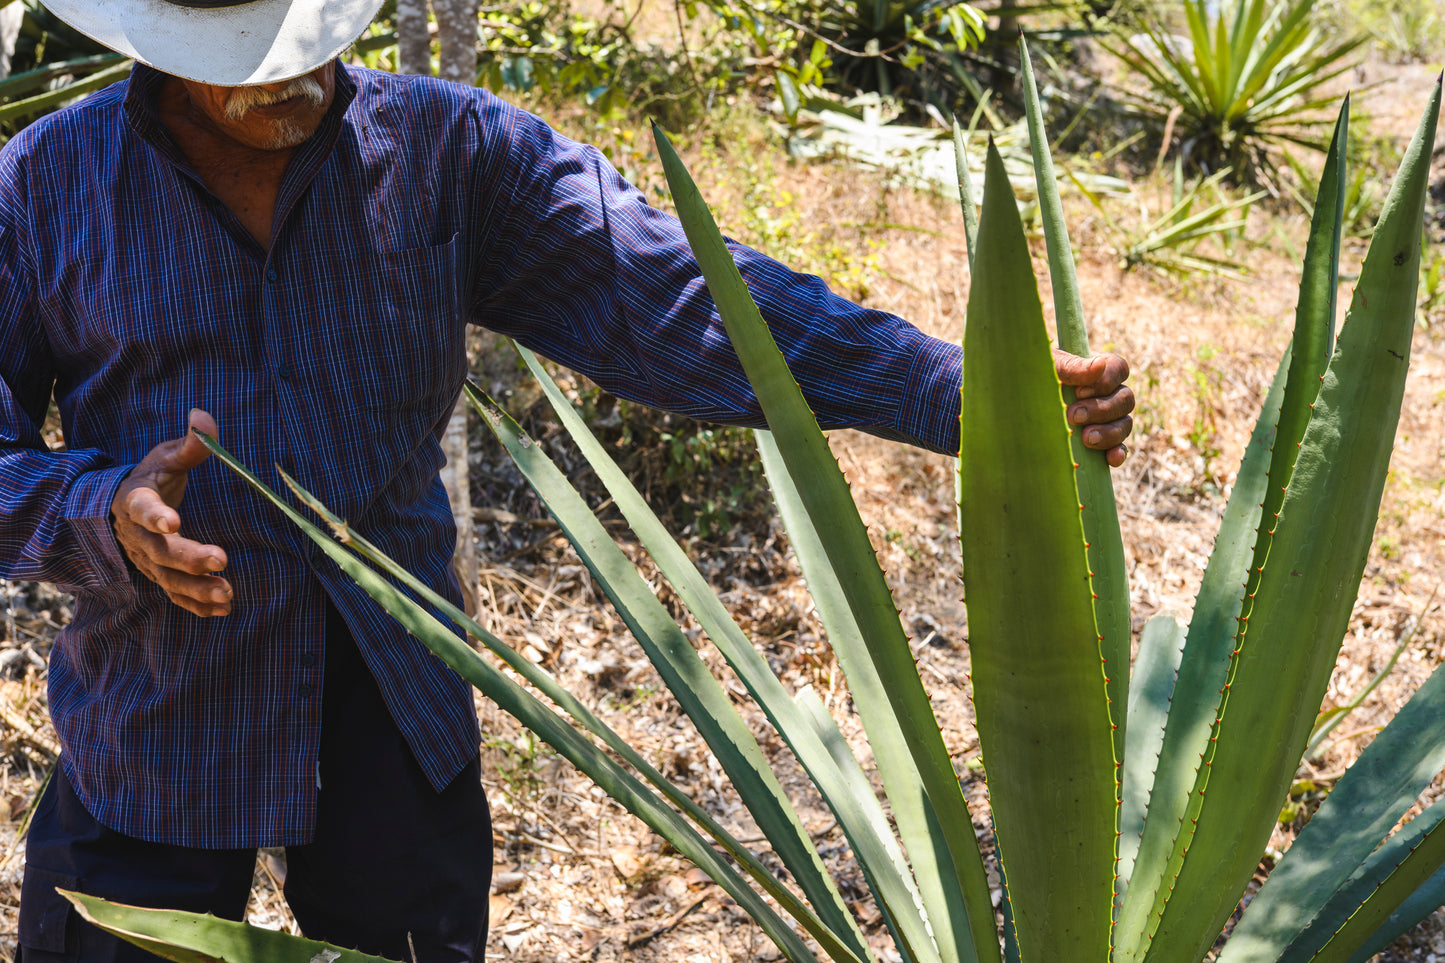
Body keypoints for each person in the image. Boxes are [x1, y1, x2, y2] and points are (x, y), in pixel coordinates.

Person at [0, 1, 1135, 960]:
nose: (286, 69)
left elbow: (680, 296)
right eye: (241, 55)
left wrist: (960, 388)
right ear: (152, 47)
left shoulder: (448, 153)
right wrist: (102, 514)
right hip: (156, 711)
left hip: (396, 698)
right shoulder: (46, 187)